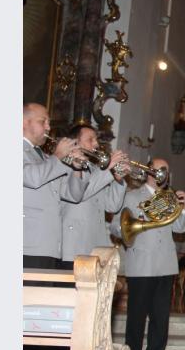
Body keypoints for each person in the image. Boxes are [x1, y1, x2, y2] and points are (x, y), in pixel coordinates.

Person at [111, 158, 185, 350]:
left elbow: (181, 228)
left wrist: (183, 208)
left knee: (161, 317)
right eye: (158, 169)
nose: (163, 173)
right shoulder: (131, 196)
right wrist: (129, 229)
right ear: (148, 171)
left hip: (166, 263)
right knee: (136, 315)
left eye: (166, 170)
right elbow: (115, 226)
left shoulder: (171, 197)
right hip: (141, 262)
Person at [23, 102, 88, 269]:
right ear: (24, 122)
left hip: (49, 245)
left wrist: (77, 169)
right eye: (42, 121)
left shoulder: (45, 158)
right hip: (27, 243)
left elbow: (73, 195)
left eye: (49, 122)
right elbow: (32, 178)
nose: (48, 127)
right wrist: (58, 156)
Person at [59, 124, 129, 269]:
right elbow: (79, 194)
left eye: (96, 140)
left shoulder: (95, 169)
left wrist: (118, 180)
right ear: (75, 142)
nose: (96, 144)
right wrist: (108, 169)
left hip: (96, 244)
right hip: (74, 244)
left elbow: (112, 206)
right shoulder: (65, 164)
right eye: (90, 139)